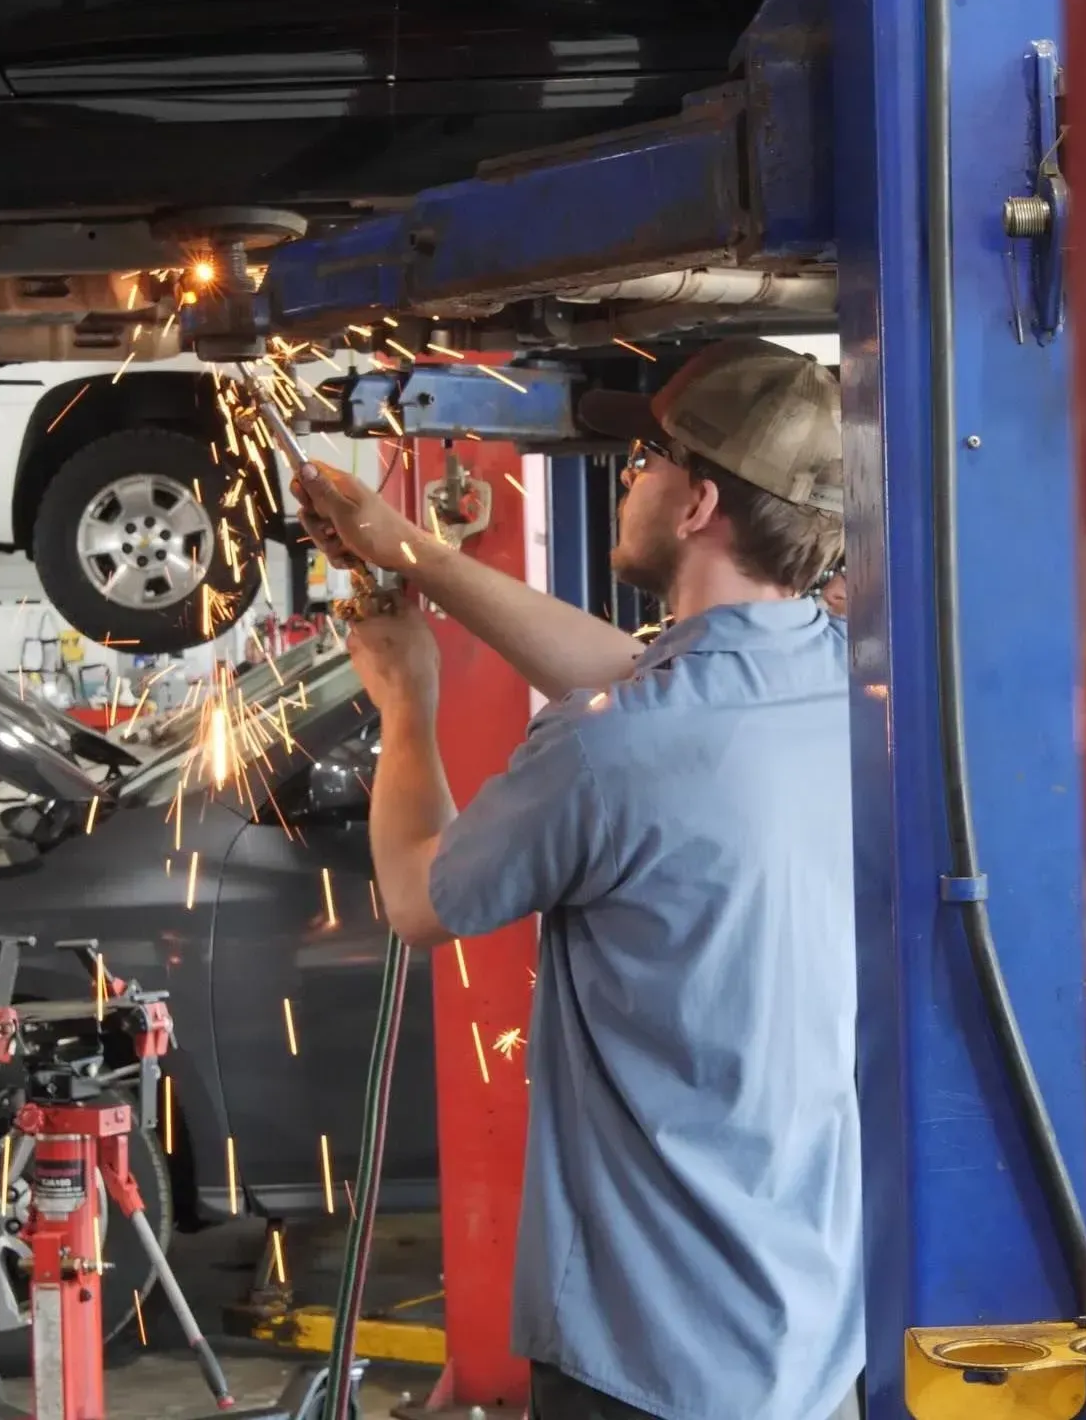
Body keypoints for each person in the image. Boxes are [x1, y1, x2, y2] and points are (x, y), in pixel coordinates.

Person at [294, 337, 862, 1420]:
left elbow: (419, 897)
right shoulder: (836, 681)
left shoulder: (609, 756)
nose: (630, 477)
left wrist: (407, 706)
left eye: (648, 458)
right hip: (812, 1336)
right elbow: (637, 672)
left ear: (696, 505)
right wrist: (414, 553)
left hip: (651, 1352)